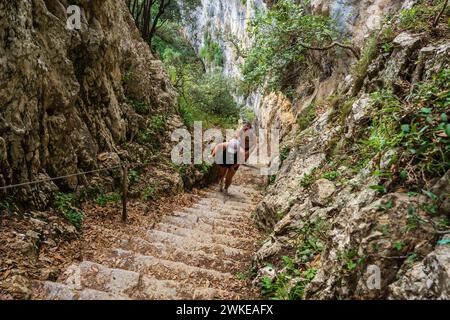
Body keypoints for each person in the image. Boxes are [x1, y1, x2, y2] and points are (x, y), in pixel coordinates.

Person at [212, 122, 255, 194]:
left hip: (238, 155)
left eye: (247, 128)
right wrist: (213, 155)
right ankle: (221, 181)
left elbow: (248, 151)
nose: (245, 129)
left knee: (230, 175)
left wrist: (234, 166)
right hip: (229, 151)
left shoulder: (251, 138)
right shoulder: (238, 133)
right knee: (221, 173)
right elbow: (218, 146)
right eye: (244, 127)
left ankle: (226, 188)